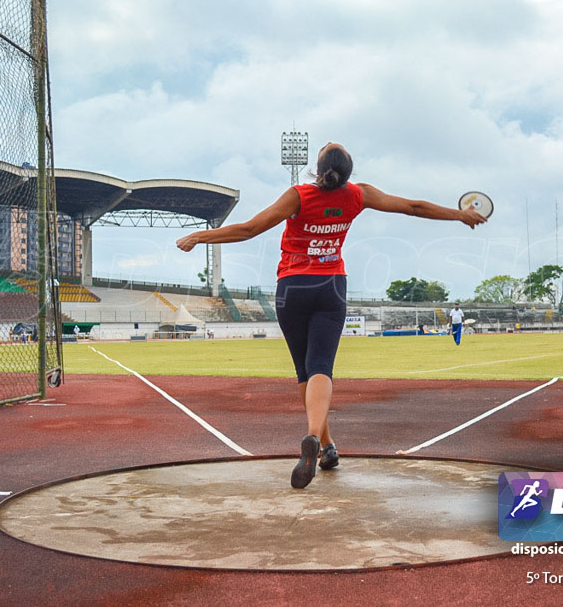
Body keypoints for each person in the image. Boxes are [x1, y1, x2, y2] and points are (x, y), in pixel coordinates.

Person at [176, 141, 486, 488]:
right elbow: (413, 207)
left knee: (304, 371)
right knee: (321, 365)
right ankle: (320, 442)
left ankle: (323, 444)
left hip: (293, 286)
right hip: (331, 285)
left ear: (317, 170)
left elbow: (251, 229)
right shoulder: (358, 195)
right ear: (347, 173)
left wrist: (200, 236)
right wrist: (459, 214)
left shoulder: (298, 196)